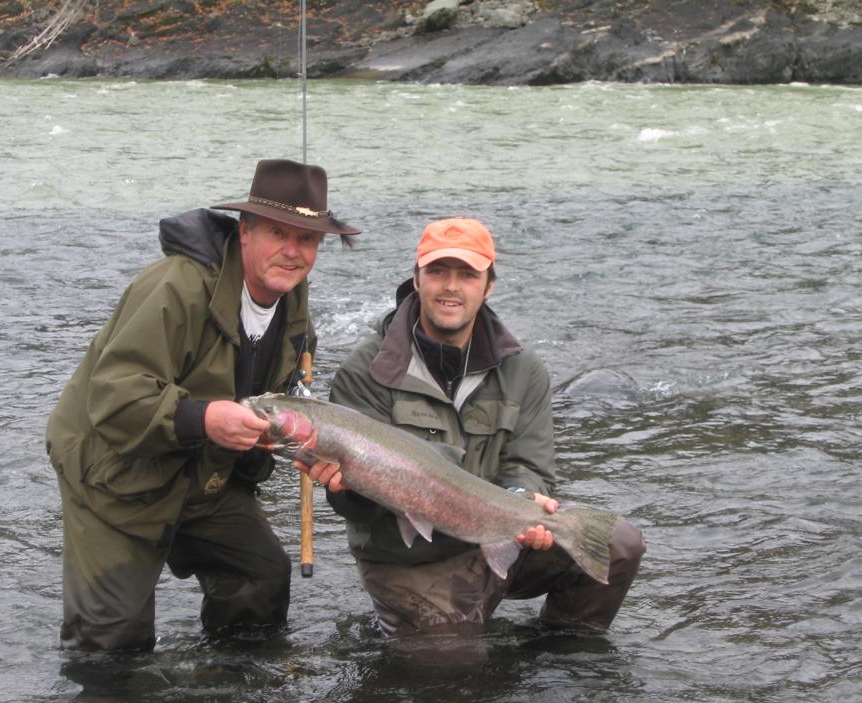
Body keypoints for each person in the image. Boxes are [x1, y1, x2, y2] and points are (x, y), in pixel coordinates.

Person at [46, 159, 359, 651]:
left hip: (203, 478)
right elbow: (115, 394)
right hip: (113, 476)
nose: (293, 252)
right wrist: (206, 417)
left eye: (308, 240)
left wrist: (297, 451)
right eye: (279, 233)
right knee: (112, 641)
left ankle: (234, 694)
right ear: (245, 232)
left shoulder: (296, 311)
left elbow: (271, 414)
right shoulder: (176, 286)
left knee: (261, 577)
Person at [325, 217, 645, 637]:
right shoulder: (366, 371)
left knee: (615, 542)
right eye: (438, 271)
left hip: (497, 527)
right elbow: (356, 512)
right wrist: (345, 487)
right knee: (450, 676)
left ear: (488, 285)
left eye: (467, 274)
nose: (451, 287)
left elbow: (529, 464)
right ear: (417, 280)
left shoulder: (523, 369)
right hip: (413, 559)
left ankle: (561, 651)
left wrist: (522, 503)